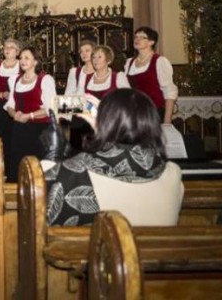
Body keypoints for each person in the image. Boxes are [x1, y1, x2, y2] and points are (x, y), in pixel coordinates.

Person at [45, 89, 184, 227]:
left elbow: (42, 194)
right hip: (154, 248)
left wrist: (51, 156)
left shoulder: (78, 170)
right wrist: (105, 125)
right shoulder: (172, 173)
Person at [4, 47, 57, 182]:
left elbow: (51, 107)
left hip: (39, 131)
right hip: (19, 130)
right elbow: (10, 104)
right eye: (21, 58)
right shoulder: (15, 80)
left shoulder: (45, 79)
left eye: (27, 58)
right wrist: (14, 114)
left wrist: (30, 116)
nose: (22, 60)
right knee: (19, 165)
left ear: (36, 61)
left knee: (38, 170)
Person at [124, 27, 178, 124]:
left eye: (142, 37)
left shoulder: (159, 61)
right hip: (134, 114)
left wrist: (167, 122)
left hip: (153, 113)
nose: (137, 39)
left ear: (151, 42)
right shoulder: (129, 63)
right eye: (136, 37)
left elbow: (169, 92)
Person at [0, 38, 21, 174]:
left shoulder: (22, 65)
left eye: (12, 47)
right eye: (6, 47)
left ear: (17, 51)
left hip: (18, 107)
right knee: (1, 138)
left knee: (16, 137)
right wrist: (0, 94)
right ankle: (1, 170)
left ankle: (15, 170)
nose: (8, 49)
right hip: (1, 108)